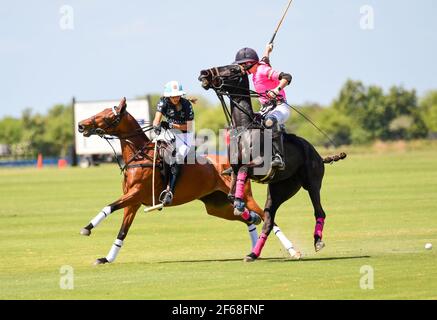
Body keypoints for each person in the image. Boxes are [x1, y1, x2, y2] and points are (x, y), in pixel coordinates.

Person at [233, 44, 292, 170]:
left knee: (269, 122)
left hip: (280, 107)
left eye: (242, 65)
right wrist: (267, 50)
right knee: (247, 124)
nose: (241, 69)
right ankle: (240, 162)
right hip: (265, 109)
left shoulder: (262, 70)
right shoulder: (257, 68)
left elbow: (287, 77)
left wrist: (276, 90)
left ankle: (278, 157)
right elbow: (264, 59)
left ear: (249, 63)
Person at [152, 81, 194, 205]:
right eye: (173, 96)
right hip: (168, 132)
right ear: (168, 96)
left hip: (185, 135)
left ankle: (170, 191)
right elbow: (156, 119)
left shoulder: (186, 104)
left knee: (178, 157)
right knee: (154, 149)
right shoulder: (163, 101)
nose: (176, 98)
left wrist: (171, 124)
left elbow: (189, 127)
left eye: (177, 95)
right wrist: (156, 126)